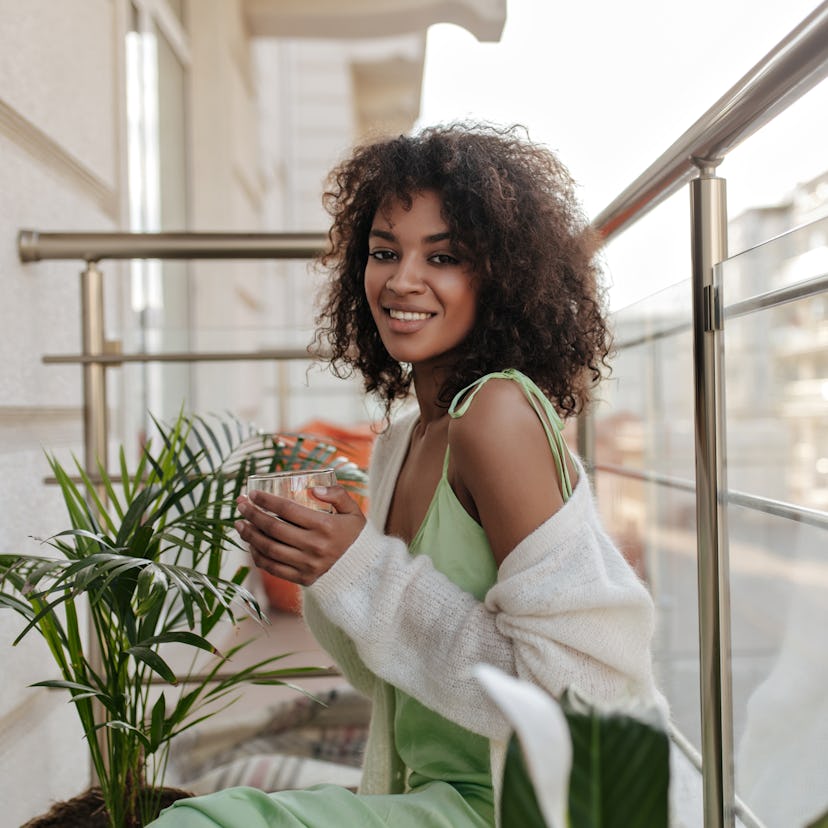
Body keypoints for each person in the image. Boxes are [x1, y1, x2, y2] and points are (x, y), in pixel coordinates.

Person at [149, 123, 665, 827]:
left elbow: (580, 695)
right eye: (384, 251)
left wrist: (362, 569)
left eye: (444, 256)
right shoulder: (402, 442)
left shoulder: (499, 416)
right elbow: (395, 679)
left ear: (501, 276)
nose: (402, 279)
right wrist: (325, 571)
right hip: (428, 795)